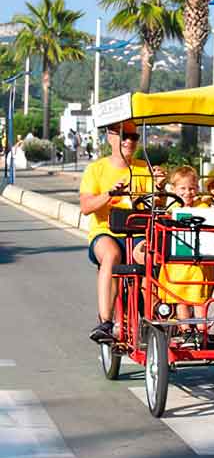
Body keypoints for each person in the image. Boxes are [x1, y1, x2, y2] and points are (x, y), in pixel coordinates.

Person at [79, 120, 166, 343]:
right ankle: (106, 322)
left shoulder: (143, 168)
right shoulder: (96, 169)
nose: (129, 141)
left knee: (149, 256)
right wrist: (109, 194)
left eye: (134, 137)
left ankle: (153, 314)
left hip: (137, 233)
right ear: (110, 137)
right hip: (106, 232)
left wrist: (159, 188)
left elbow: (156, 206)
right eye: (124, 136)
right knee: (111, 255)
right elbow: (86, 207)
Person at [134, 165, 212, 349]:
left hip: (198, 263)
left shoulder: (203, 207)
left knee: (199, 299)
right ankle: (185, 330)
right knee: (181, 299)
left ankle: (202, 332)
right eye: (183, 189)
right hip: (176, 263)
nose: (188, 192)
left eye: (192, 188)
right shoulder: (171, 208)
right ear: (174, 190)